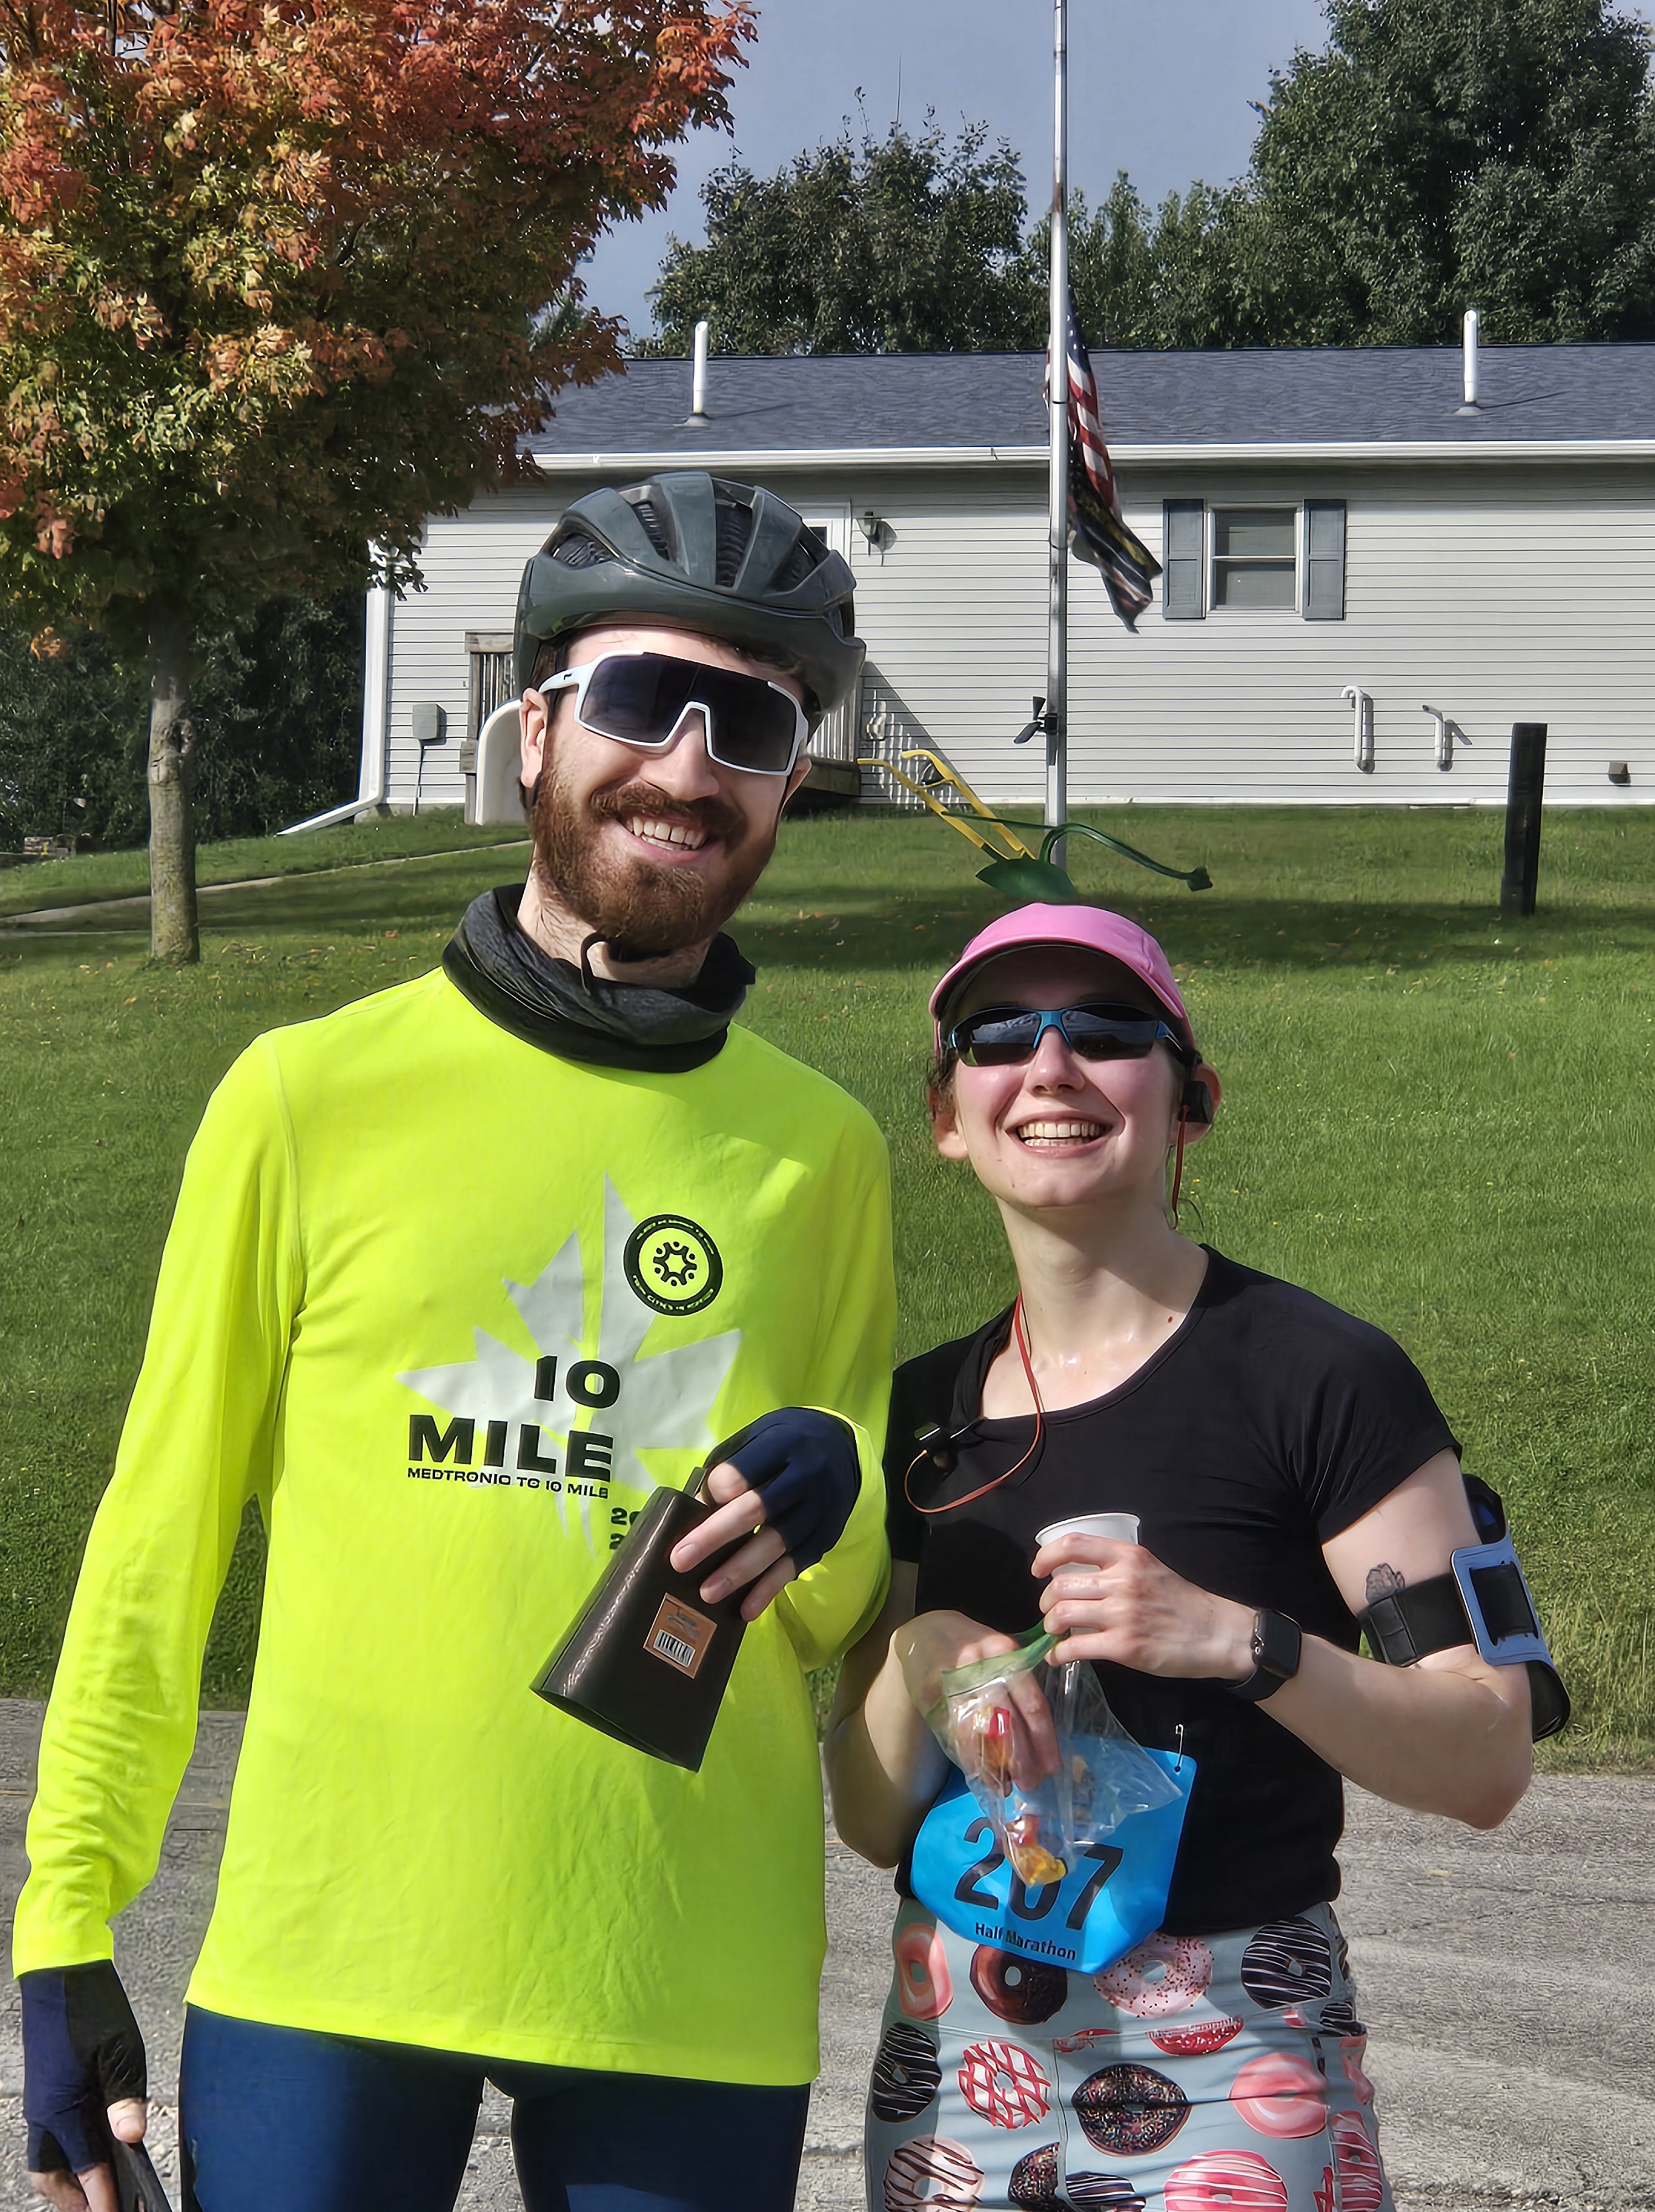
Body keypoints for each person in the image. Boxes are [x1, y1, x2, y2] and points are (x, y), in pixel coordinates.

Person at [15, 472, 896, 2212]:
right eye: (646, 700)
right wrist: (64, 1920)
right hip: (335, 1954)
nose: (692, 767)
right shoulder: (306, 1097)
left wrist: (839, 1487)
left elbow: (833, 1603)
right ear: (537, 727)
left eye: (755, 726)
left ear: (792, 780)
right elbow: (158, 1538)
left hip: (686, 1970)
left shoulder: (827, 1153)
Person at [826, 902, 1564, 2212]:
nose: (1050, 1066)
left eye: (1107, 1032)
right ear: (946, 1112)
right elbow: (872, 1815)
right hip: (953, 2052)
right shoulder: (919, 1417)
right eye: (997, 1036)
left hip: (1230, 2052)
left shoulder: (1321, 1379)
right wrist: (922, 1656)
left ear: (1191, 1100)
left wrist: (1237, 1641)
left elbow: (1484, 1755)